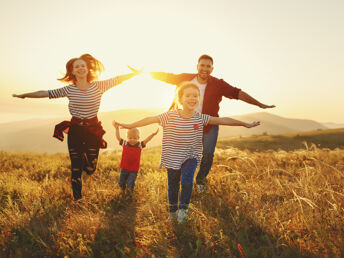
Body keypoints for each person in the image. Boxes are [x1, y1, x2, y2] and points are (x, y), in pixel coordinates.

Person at [116, 81, 260, 223]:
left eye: (195, 96)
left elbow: (222, 120)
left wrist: (245, 124)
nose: (192, 98)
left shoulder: (200, 117)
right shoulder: (169, 116)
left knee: (186, 181)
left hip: (191, 156)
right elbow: (149, 119)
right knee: (173, 186)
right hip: (172, 157)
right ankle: (173, 211)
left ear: (199, 99)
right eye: (188, 95)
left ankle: (183, 211)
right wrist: (129, 125)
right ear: (180, 99)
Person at [13, 53, 142, 201]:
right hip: (75, 130)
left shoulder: (99, 86)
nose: (80, 68)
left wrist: (136, 73)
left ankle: (84, 166)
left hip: (93, 131)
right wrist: (24, 95)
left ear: (88, 69)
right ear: (73, 71)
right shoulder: (69, 89)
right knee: (75, 168)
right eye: (77, 67)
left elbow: (117, 80)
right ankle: (77, 199)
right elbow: (45, 93)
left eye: (83, 66)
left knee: (90, 168)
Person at [144, 54, 275, 192]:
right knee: (184, 152)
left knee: (208, 153)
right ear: (197, 66)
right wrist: (144, 72)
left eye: (208, 66)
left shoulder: (218, 84)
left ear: (212, 69)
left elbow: (238, 93)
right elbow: (166, 77)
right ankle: (183, 178)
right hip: (187, 123)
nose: (205, 69)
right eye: (202, 65)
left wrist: (260, 105)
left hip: (209, 124)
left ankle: (200, 180)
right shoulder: (185, 78)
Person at [112, 121, 158, 192]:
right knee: (121, 183)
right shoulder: (125, 143)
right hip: (124, 168)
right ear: (127, 137)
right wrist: (117, 129)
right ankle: (123, 193)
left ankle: (130, 194)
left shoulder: (139, 145)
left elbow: (147, 140)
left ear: (138, 138)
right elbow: (118, 137)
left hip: (134, 170)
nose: (132, 140)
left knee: (130, 182)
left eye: (135, 138)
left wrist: (153, 134)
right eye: (130, 138)